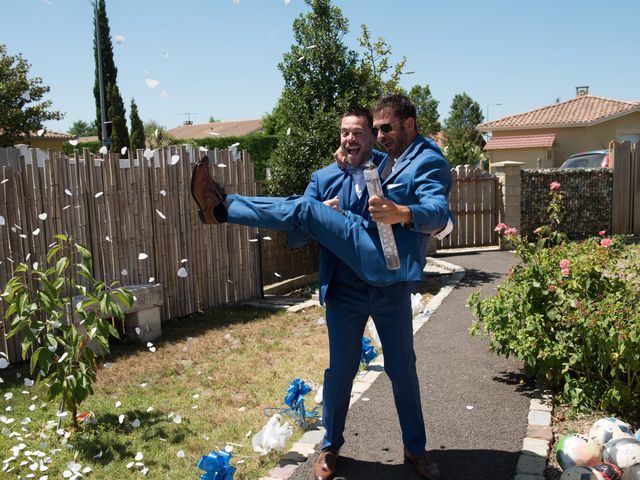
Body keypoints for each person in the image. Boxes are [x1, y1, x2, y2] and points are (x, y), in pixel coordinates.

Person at [190, 96, 452, 480]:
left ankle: (416, 450)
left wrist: (404, 212)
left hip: (388, 287)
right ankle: (330, 447)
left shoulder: (393, 161)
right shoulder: (323, 177)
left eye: (363, 132)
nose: (355, 139)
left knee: (403, 370)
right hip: (346, 290)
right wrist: (322, 216)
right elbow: (295, 237)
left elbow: (438, 211)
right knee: (340, 371)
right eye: (346, 133)